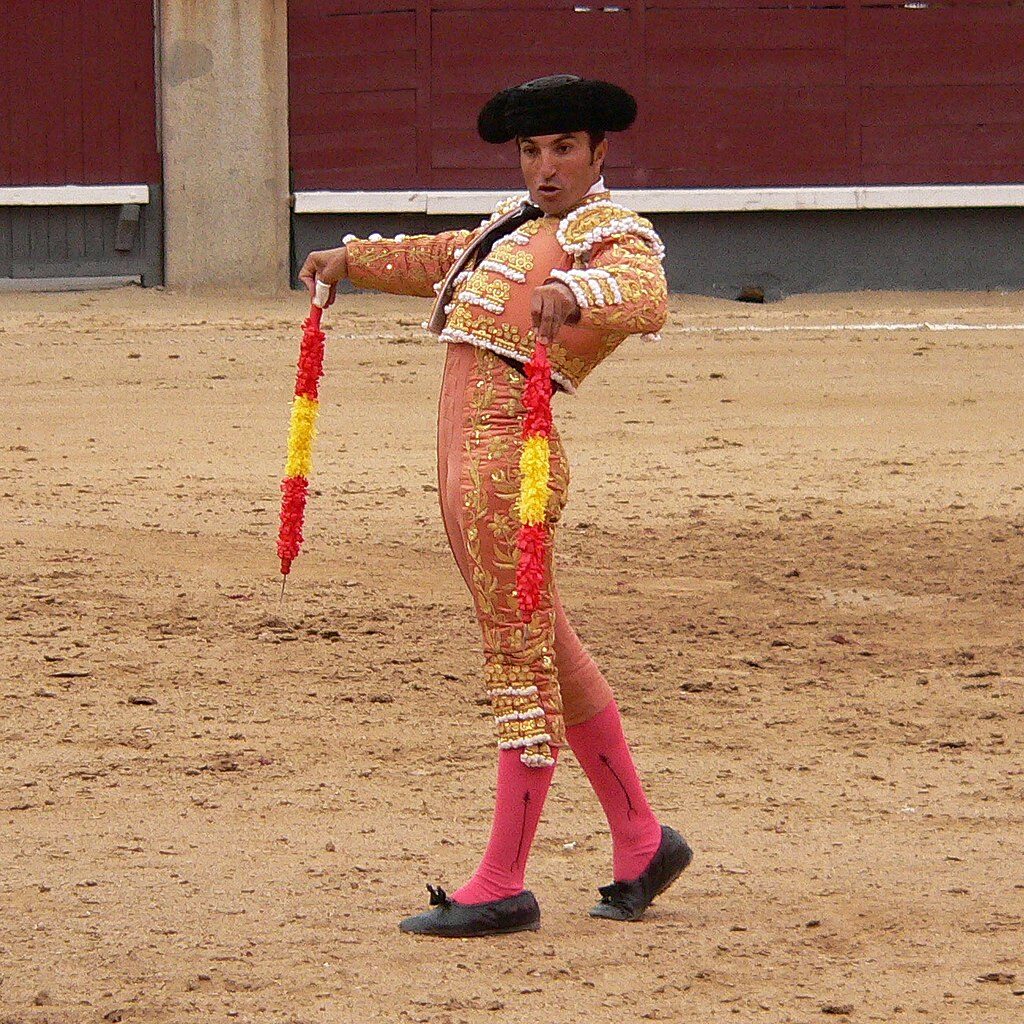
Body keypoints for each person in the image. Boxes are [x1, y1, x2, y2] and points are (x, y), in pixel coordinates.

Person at [299, 74, 693, 938]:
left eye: (562, 150)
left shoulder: (604, 230)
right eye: (530, 150)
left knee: (518, 657)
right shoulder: (514, 227)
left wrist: (579, 295)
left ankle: (503, 880)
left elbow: (648, 293)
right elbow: (438, 256)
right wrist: (353, 261)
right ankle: (640, 838)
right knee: (544, 638)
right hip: (466, 460)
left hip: (510, 460)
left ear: (598, 155)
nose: (544, 167)